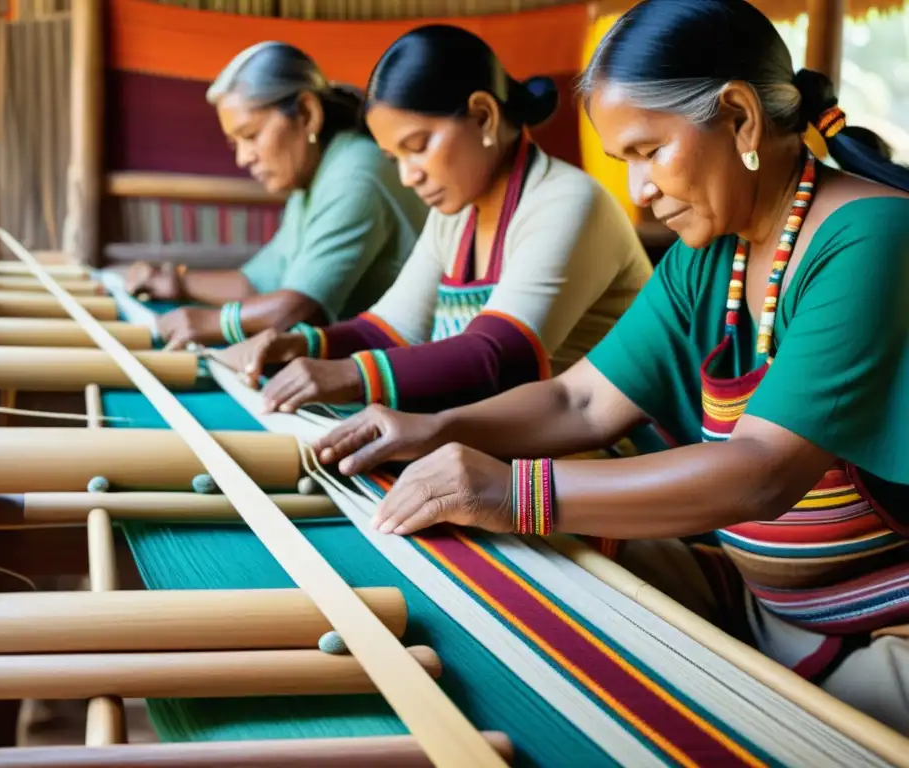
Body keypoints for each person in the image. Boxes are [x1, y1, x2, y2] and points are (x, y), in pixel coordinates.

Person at [310, 0, 909, 734]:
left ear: (740, 118)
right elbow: (579, 403)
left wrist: (512, 488)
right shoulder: (712, 256)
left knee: (744, 738)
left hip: (883, 635)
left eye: (649, 151)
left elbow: (761, 472)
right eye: (627, 161)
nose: (639, 191)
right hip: (768, 609)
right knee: (525, 569)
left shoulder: (872, 238)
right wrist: (433, 428)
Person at [217, 25, 651, 416]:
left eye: (419, 146)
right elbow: (390, 329)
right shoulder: (458, 212)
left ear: (483, 116)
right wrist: (305, 345)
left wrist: (349, 374)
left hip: (606, 457)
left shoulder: (567, 201)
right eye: (395, 158)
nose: (409, 176)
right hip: (504, 442)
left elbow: (499, 357)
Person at [125, 42, 428, 350]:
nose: (243, 158)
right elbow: (254, 283)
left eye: (251, 135)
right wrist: (176, 281)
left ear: (307, 113)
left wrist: (206, 322)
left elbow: (298, 309)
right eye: (235, 144)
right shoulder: (312, 176)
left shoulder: (354, 174)